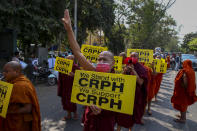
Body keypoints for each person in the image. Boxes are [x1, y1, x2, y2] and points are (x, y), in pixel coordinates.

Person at [62, 9, 116, 131]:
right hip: (89, 122)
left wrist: (104, 108)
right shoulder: (93, 70)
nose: (101, 62)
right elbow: (77, 52)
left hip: (105, 123)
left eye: (105, 60)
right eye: (99, 59)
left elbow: (122, 104)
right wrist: (69, 29)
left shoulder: (120, 80)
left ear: (112, 63)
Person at [1, 61, 41, 131]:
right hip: (12, 120)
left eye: (6, 72)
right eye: (3, 71)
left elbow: (27, 108)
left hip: (18, 122)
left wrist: (8, 111)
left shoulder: (20, 86)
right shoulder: (13, 81)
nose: (4, 74)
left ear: (16, 72)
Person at [116, 52, 148, 131]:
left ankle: (130, 129)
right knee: (121, 115)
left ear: (138, 58)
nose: (132, 57)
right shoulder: (125, 66)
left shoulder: (142, 68)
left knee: (131, 115)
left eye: (135, 56)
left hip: (135, 95)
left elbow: (140, 82)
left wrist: (133, 71)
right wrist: (124, 71)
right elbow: (119, 79)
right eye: (131, 56)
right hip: (124, 94)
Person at [58, 55, 79, 120]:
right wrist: (60, 88)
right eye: (68, 58)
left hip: (72, 88)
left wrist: (74, 75)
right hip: (64, 88)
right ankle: (69, 115)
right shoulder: (62, 66)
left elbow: (81, 77)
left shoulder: (76, 67)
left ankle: (75, 114)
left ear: (73, 60)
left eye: (71, 58)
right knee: (65, 102)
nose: (69, 59)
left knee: (72, 102)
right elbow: (60, 77)